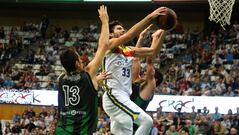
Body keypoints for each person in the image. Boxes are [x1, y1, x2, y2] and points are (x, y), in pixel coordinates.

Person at [102, 7, 167, 135]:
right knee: (147, 122)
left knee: (122, 131)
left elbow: (153, 51)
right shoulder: (109, 45)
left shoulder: (127, 50)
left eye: (122, 28)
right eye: (119, 28)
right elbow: (130, 34)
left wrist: (164, 31)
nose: (123, 30)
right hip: (114, 95)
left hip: (123, 97)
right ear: (110, 33)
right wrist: (150, 16)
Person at [54, 5, 109, 135]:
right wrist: (105, 21)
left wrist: (95, 81)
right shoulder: (88, 74)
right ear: (77, 64)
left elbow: (78, 86)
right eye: (80, 59)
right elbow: (104, 45)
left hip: (61, 131)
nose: (83, 60)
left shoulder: (60, 79)